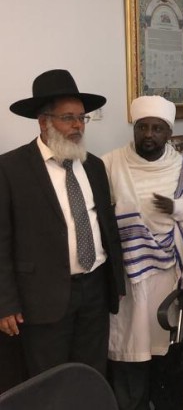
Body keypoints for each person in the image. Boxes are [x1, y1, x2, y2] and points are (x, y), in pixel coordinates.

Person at [0, 69, 125, 377]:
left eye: (82, 118)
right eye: (68, 118)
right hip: (43, 296)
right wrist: (5, 303)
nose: (78, 126)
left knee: (91, 374)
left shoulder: (94, 166)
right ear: (43, 121)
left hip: (94, 290)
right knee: (50, 380)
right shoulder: (11, 169)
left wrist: (115, 284)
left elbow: (106, 227)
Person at [102, 96, 183, 410]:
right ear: (134, 128)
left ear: (168, 132)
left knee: (165, 350)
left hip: (167, 276)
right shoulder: (110, 164)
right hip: (128, 279)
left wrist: (177, 207)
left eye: (157, 128)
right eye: (143, 127)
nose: (149, 134)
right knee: (129, 352)